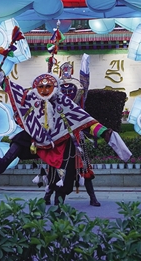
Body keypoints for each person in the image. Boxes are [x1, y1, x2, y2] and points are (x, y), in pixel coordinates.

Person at [0, 27, 131, 205]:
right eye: (41, 87)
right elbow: (18, 94)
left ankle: (73, 199)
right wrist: (3, 80)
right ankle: (3, 163)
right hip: (44, 137)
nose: (44, 90)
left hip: (69, 137)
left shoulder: (68, 97)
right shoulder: (38, 95)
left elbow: (84, 118)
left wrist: (104, 132)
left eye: (48, 87)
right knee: (21, 138)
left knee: (78, 168)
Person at [43, 56, 103, 207]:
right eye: (64, 69)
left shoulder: (78, 87)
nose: (66, 71)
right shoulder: (55, 89)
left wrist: (85, 66)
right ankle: (48, 195)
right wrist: (49, 68)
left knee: (83, 165)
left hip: (75, 133)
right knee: (56, 165)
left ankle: (92, 197)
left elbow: (85, 84)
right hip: (59, 133)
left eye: (68, 69)